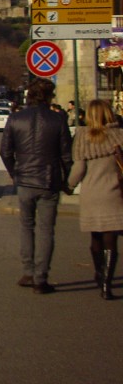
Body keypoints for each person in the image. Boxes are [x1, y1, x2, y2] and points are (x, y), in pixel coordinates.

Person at [0, 78, 73, 294]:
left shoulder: (15, 118)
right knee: (46, 230)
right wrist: (67, 181)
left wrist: (16, 173)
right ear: (49, 96)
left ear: (28, 96)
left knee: (26, 226)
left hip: (25, 181)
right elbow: (66, 156)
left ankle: (28, 272)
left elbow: (5, 152)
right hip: (48, 181)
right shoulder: (58, 120)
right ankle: (41, 278)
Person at [66, 99, 123, 300]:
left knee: (95, 238)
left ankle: (99, 273)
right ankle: (107, 285)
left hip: (91, 193)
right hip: (114, 193)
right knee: (111, 239)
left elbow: (79, 169)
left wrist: (69, 186)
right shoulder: (119, 135)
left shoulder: (83, 137)